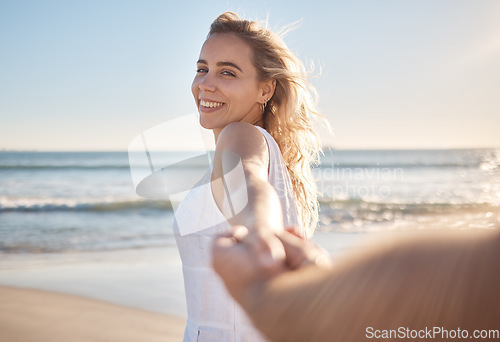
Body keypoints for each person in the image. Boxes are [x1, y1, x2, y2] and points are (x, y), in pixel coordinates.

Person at [173, 12, 324, 341]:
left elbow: (247, 180)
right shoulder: (263, 147)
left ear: (265, 89)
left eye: (227, 72)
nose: (205, 84)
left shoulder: (241, 135)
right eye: (202, 69)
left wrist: (258, 229)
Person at [212, 227, 500, 342]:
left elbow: (475, 288)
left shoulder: (242, 135)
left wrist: (263, 296)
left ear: (266, 91)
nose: (203, 90)